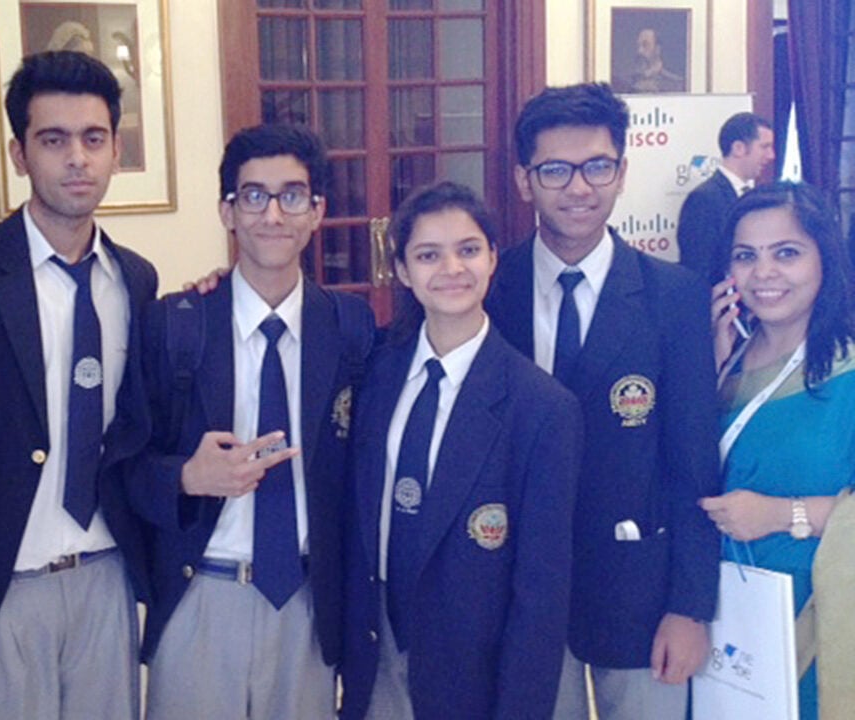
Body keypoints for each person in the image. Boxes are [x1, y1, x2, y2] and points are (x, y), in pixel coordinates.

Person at [0, 51, 157, 719]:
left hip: (106, 578)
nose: (76, 159)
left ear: (115, 148)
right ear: (19, 154)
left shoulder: (137, 281)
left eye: (93, 138)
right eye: (53, 140)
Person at [485, 82, 721, 720]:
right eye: (555, 170)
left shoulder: (674, 298)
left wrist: (691, 606)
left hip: (639, 595)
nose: (578, 187)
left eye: (597, 166)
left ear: (621, 173)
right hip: (517, 590)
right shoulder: (484, 290)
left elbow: (693, 462)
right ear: (524, 179)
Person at [127, 123, 373, 719]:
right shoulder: (175, 326)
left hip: (308, 603)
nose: (272, 214)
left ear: (317, 212)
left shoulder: (350, 328)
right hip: (201, 596)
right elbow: (122, 468)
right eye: (253, 195)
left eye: (292, 195)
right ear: (226, 211)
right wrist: (187, 477)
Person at [341, 182, 581, 719]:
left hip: (472, 668)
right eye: (429, 254)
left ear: (493, 257)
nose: (451, 268)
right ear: (402, 270)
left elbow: (541, 595)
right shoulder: (376, 373)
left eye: (468, 250)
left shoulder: (541, 408)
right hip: (376, 649)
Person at [703, 182, 855, 720]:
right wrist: (706, 375)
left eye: (786, 253)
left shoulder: (849, 369)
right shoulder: (719, 359)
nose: (764, 273)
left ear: (824, 258)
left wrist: (779, 515)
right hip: (719, 621)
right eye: (746, 256)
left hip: (817, 621)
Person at [678, 113, 776, 284]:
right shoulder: (704, 200)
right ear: (738, 148)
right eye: (764, 147)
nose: (771, 155)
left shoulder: (757, 197)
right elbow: (698, 269)